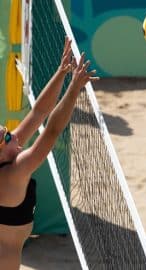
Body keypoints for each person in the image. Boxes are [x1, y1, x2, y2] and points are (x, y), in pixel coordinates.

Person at [0, 37, 99, 270]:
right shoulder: (14, 171)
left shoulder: (8, 155)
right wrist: (74, 89)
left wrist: (61, 72)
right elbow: (52, 132)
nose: (13, 134)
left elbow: (38, 113)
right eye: (6, 136)